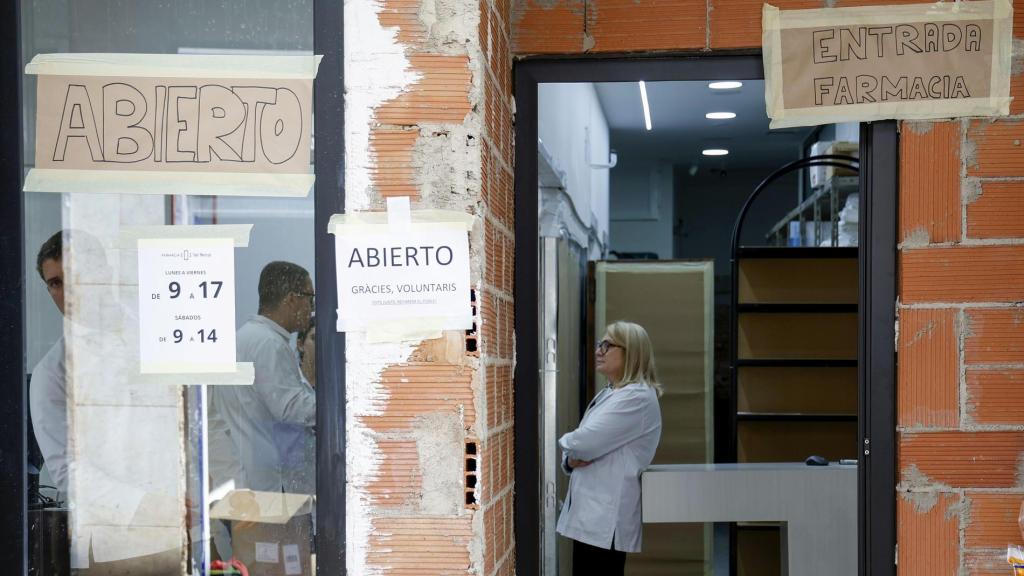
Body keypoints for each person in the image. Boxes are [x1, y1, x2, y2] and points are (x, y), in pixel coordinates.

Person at [557, 321, 663, 575]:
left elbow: (584, 442)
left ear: (632, 352)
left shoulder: (635, 398)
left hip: (604, 521)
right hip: (592, 518)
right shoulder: (613, 393)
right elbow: (581, 448)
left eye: (607, 345)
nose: (598, 351)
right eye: (598, 344)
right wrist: (570, 459)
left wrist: (566, 442)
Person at [210, 261, 316, 493]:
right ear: (291, 299)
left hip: (243, 477)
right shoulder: (269, 344)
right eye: (310, 297)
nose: (312, 308)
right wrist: (344, 405)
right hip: (268, 485)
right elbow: (290, 408)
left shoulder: (245, 339)